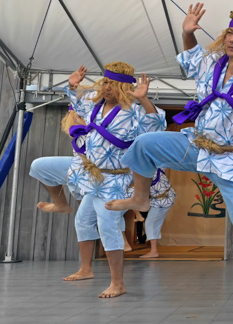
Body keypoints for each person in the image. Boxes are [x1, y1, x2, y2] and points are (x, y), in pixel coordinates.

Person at [104, 3, 233, 313]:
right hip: (198, 146)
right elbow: (190, 58)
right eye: (230, 32)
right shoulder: (212, 62)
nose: (232, 39)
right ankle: (140, 198)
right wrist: (187, 33)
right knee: (143, 144)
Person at [66, 62, 165, 298]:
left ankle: (118, 283)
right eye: (105, 81)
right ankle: (86, 269)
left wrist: (144, 100)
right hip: (94, 176)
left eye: (112, 83)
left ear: (123, 87)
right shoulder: (93, 101)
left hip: (118, 179)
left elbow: (156, 126)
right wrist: (71, 85)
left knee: (108, 225)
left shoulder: (134, 110)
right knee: (82, 221)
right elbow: (75, 102)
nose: (107, 87)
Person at [30, 109, 99, 281]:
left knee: (84, 220)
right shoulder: (79, 130)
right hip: (79, 169)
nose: (75, 117)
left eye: (79, 116)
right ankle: (61, 204)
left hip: (102, 175)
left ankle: (86, 269)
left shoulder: (104, 125)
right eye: (74, 115)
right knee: (39, 166)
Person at [137, 169, 177, 259]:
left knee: (150, 223)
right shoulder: (157, 167)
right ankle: (153, 250)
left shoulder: (145, 171)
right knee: (153, 223)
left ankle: (154, 251)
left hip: (162, 200)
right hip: (165, 197)